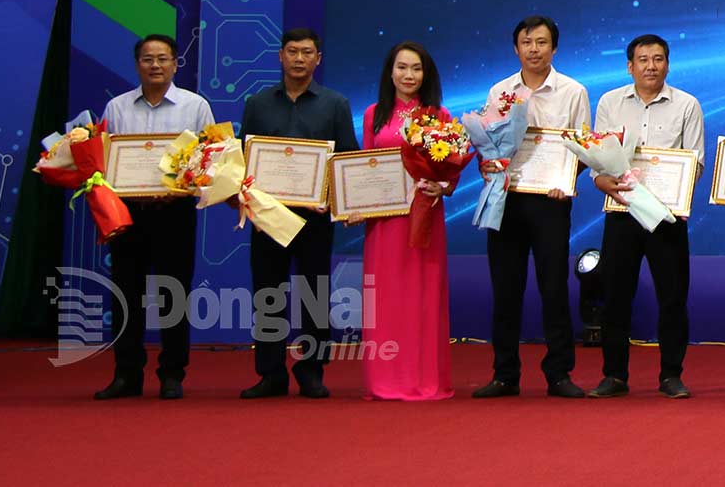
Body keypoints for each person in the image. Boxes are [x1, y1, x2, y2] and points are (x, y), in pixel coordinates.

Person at [472, 14, 591, 399]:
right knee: (506, 289)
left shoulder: (572, 92)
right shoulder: (500, 90)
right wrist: (489, 164)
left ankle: (559, 373)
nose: (534, 49)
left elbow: (584, 147)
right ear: (516, 48)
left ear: (554, 48)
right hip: (506, 199)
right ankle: (505, 374)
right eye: (527, 43)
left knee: (553, 287)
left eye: (541, 42)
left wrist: (566, 180)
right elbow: (488, 143)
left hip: (550, 202)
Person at [237, 27, 359, 399]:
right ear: (280, 56)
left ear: (318, 59)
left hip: (315, 219)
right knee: (267, 294)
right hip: (267, 217)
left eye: (307, 52)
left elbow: (347, 158)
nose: (299, 58)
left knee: (314, 294)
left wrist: (334, 197)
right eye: (292, 51)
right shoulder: (257, 103)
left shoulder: (335, 104)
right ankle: (270, 373)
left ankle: (312, 370)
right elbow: (243, 158)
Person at [94, 33, 214, 400]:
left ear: (176, 64)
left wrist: (186, 183)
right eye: (148, 59)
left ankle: (172, 374)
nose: (156, 65)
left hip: (174, 213)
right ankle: (126, 374)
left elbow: (213, 158)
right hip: (128, 214)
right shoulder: (117, 107)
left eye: (163, 58)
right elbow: (102, 160)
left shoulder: (195, 106)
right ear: (137, 65)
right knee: (126, 294)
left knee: (173, 295)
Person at [588, 34, 704, 399]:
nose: (650, 66)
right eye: (643, 59)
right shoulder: (609, 102)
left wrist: (677, 190)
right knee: (615, 295)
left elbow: (696, 161)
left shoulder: (687, 104)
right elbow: (598, 158)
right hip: (622, 212)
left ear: (668, 64)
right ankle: (614, 375)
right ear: (630, 66)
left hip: (667, 216)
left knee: (673, 297)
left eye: (657, 59)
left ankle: (671, 375)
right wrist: (600, 180)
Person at [359, 40, 455, 401]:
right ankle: (384, 379)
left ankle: (423, 378)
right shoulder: (373, 114)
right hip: (383, 222)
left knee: (422, 297)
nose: (409, 75)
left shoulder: (439, 116)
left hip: (424, 218)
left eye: (416, 68)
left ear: (426, 74)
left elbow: (450, 170)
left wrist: (441, 185)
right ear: (390, 72)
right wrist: (355, 203)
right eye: (402, 67)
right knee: (385, 298)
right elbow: (364, 167)